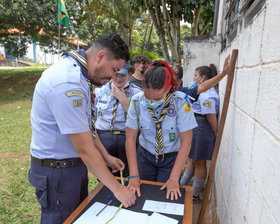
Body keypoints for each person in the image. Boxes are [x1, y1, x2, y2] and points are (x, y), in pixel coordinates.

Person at [28, 34, 136, 224]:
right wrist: (118, 189)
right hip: (57, 172)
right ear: (100, 56)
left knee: (78, 218)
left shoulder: (81, 76)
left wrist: (106, 157)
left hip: (72, 168)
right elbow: (84, 148)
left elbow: (86, 128)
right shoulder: (68, 82)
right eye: (114, 69)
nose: (113, 76)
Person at [125, 61, 198, 200]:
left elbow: (186, 141)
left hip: (171, 159)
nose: (151, 102)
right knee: (142, 195)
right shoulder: (136, 101)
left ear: (169, 88)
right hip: (145, 157)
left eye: (157, 98)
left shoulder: (181, 103)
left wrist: (174, 177)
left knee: (165, 197)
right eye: (147, 97)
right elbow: (130, 138)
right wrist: (134, 174)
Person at [180, 64, 220, 202]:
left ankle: (195, 195)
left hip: (202, 127)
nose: (194, 78)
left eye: (196, 75)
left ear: (203, 78)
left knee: (200, 162)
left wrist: (216, 132)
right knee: (192, 160)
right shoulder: (201, 91)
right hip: (196, 126)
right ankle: (181, 188)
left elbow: (210, 115)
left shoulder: (207, 94)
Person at [94, 61, 142, 177]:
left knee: (127, 176)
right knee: (105, 177)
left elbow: (140, 122)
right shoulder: (100, 91)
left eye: (122, 75)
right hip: (104, 138)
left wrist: (124, 100)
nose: (119, 78)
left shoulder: (138, 94)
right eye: (116, 74)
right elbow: (92, 117)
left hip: (126, 138)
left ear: (129, 73)